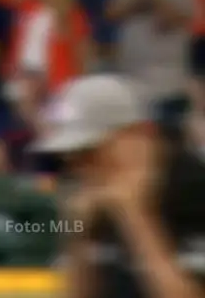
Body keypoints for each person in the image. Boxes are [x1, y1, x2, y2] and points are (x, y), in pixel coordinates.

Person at [34, 74, 205, 298]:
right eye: (71, 156)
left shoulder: (196, 187)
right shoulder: (92, 191)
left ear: (140, 134)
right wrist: (78, 235)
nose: (80, 167)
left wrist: (136, 217)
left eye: (90, 151)